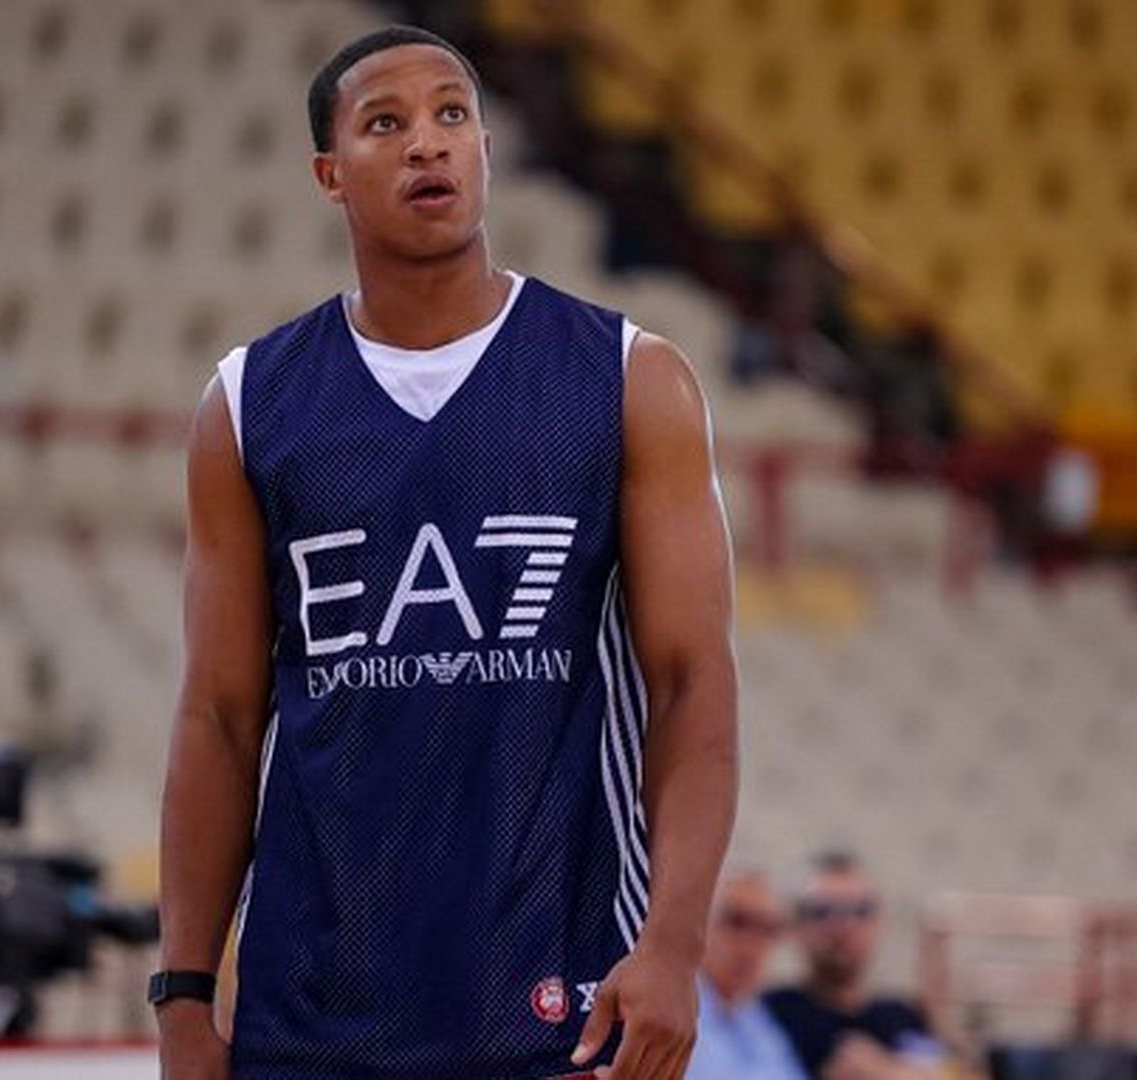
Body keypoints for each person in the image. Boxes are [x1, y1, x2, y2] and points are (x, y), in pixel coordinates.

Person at [154, 24, 740, 1080]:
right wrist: (183, 994)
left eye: (451, 115)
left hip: (562, 1002)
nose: (427, 143)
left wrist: (674, 946)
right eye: (386, 124)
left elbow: (692, 683)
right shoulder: (248, 403)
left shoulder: (628, 378)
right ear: (330, 175)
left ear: (484, 150)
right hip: (308, 1013)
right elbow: (221, 719)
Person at [763, 852, 946, 1080]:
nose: (843, 926)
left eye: (859, 911)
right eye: (822, 912)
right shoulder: (770, 1015)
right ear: (794, 925)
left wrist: (883, 1073)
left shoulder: (904, 1017)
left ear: (879, 923)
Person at [686, 868, 808, 1080]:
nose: (751, 946)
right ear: (700, 923)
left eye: (767, 930)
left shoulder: (760, 1020)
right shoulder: (669, 1016)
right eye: (736, 922)